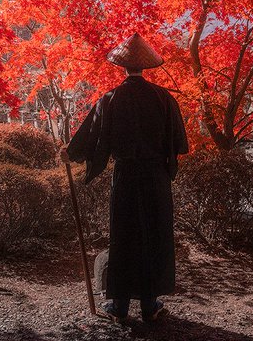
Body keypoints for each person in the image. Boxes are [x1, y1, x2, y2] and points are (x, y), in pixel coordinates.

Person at [63, 32, 188, 325]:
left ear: (122, 67)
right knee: (154, 235)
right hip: (156, 177)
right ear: (146, 66)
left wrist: (71, 153)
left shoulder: (111, 99)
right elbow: (179, 144)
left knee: (124, 235)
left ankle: (119, 306)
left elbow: (91, 136)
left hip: (126, 177)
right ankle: (149, 304)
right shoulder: (164, 98)